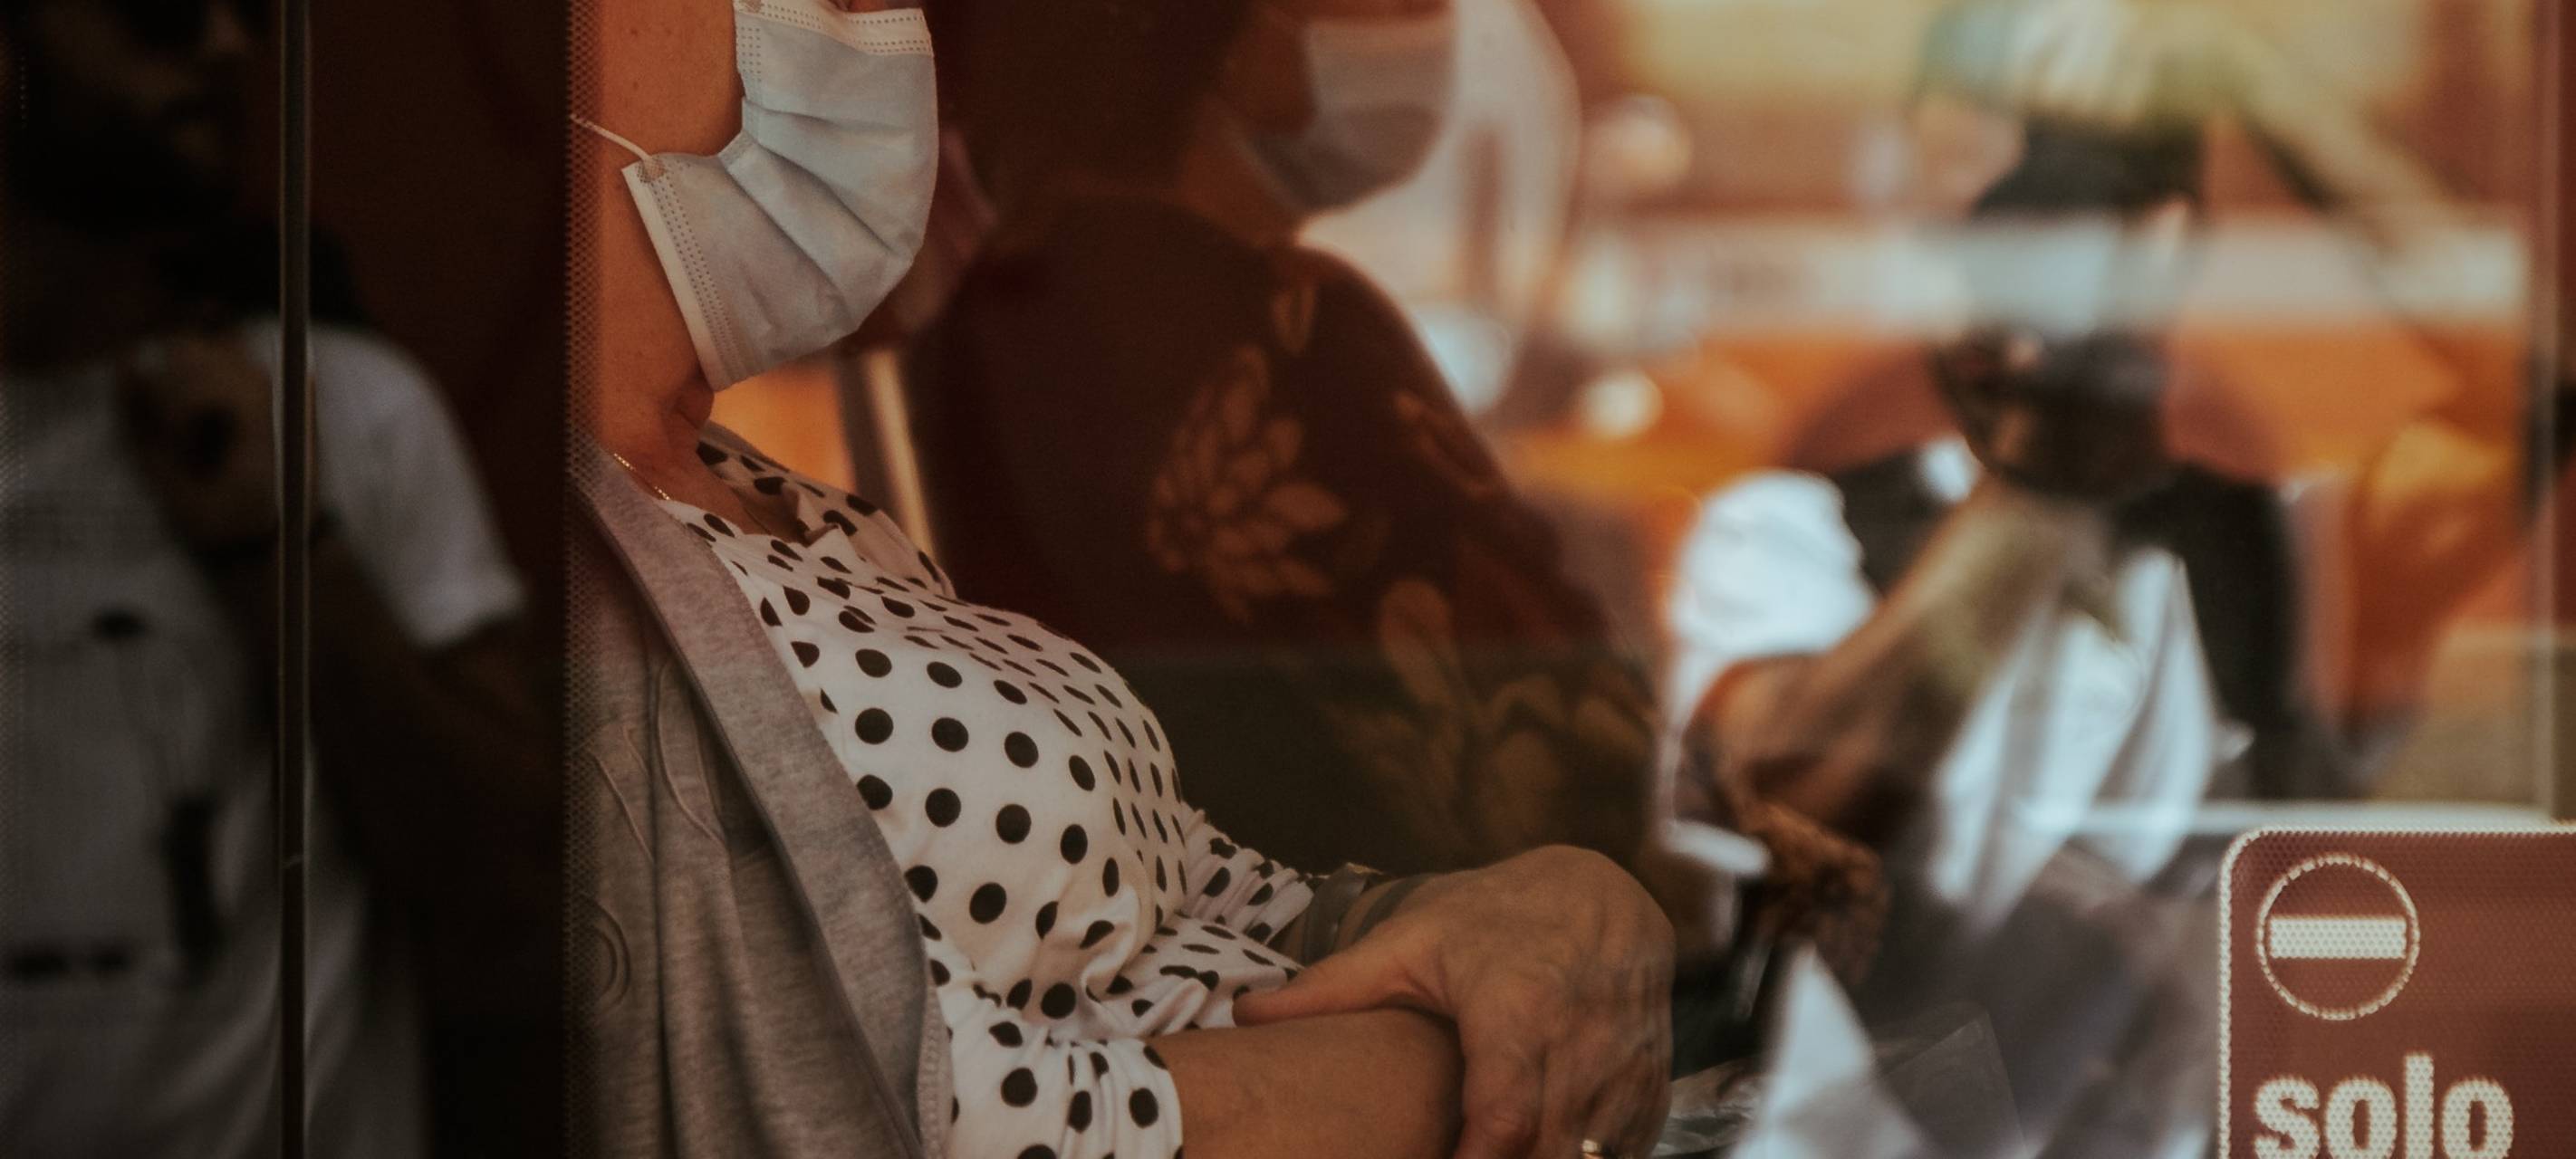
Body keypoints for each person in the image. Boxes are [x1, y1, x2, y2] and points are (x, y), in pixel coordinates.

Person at [567, 1, 1675, 1156]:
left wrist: (1475, 920)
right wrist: (1469, 1065)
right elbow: (896, 1111)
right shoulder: (568, 577)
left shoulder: (774, 500)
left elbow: (1179, 883)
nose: (878, 19)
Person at [1664, 0, 2562, 1151]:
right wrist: (2046, 478)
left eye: (2055, 212)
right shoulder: (1791, 533)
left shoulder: (2278, 560)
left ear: (2162, 241)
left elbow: (2535, 383)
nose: (1997, 260)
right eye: (1965, 215)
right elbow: (1800, 811)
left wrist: (2253, 75)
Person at [899, 0, 1866, 970]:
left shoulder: (978, 321)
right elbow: (1567, 749)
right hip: (1426, 971)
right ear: (1237, 46)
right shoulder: (1287, 327)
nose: (1436, 27)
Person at [0, 0, 549, 1154]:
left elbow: (523, 893)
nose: (226, 42)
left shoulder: (338, 410)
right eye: (158, 8)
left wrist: (284, 555)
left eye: (247, 6)